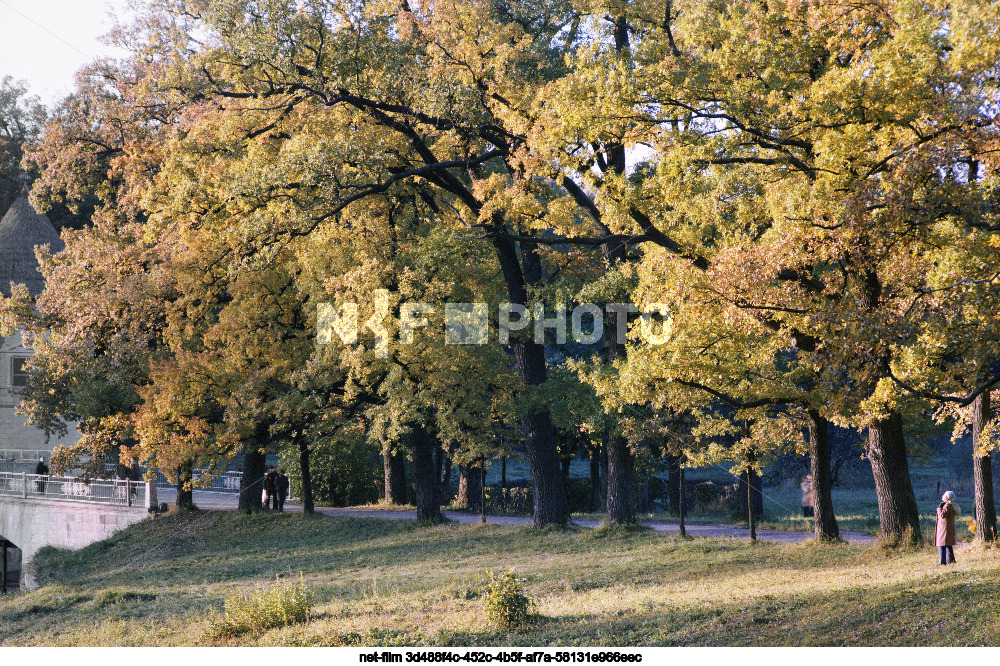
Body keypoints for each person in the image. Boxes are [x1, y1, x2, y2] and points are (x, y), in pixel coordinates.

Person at [935, 490, 961, 565]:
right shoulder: (952, 505)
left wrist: (939, 508)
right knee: (948, 545)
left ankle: (942, 562)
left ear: (947, 497)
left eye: (944, 495)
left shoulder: (947, 505)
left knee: (941, 545)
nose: (943, 496)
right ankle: (950, 561)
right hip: (947, 527)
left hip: (944, 528)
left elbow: (942, 515)